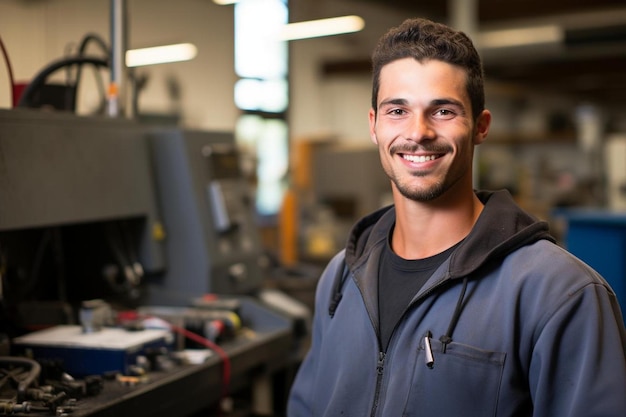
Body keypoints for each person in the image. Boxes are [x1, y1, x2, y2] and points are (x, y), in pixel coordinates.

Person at [287, 17, 626, 417]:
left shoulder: (560, 293)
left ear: (480, 127)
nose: (418, 132)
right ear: (374, 125)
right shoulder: (341, 278)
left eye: (443, 111)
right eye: (397, 110)